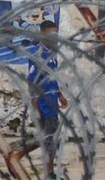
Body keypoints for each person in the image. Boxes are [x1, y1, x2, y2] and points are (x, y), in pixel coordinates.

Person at [25, 20, 67, 178]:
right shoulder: (37, 55)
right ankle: (49, 173)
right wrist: (35, 106)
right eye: (51, 34)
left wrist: (60, 95)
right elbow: (32, 81)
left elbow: (52, 78)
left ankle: (18, 154)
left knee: (47, 138)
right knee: (51, 140)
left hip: (52, 103)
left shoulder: (52, 54)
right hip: (44, 105)